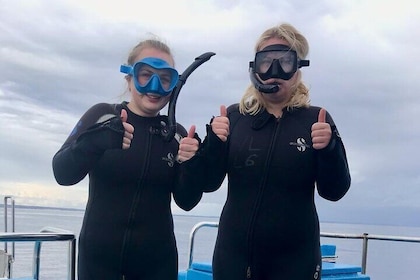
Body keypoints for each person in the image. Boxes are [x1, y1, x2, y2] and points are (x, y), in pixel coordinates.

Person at [194, 23, 351, 280]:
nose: (274, 71)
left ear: (298, 69)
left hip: (295, 263)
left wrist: (329, 148)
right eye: (266, 62)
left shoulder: (316, 120)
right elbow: (208, 184)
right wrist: (213, 143)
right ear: (255, 68)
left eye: (285, 62)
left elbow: (335, 191)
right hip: (234, 260)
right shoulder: (234, 117)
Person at [52, 37, 203, 280]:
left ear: (174, 84)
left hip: (156, 264)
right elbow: (62, 174)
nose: (155, 86)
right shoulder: (102, 116)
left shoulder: (176, 134)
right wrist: (95, 141)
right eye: (146, 75)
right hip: (99, 263)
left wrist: (192, 165)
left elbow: (187, 202)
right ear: (129, 77)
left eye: (165, 79)